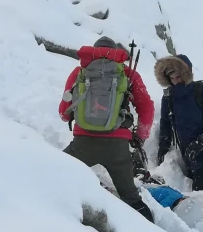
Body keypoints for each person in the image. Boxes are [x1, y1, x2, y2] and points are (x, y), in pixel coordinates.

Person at [59, 37, 156, 222]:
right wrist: (140, 137)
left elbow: (64, 110)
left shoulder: (80, 72)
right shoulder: (128, 74)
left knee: (56, 178)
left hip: (82, 145)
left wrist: (75, 118)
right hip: (117, 148)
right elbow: (147, 108)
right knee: (131, 198)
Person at [154, 54, 203, 190]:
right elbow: (165, 124)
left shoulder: (202, 91)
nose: (176, 81)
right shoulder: (169, 98)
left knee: (199, 191)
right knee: (195, 191)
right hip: (187, 153)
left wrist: (202, 142)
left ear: (186, 74)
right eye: (172, 78)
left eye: (179, 76)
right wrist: (163, 149)